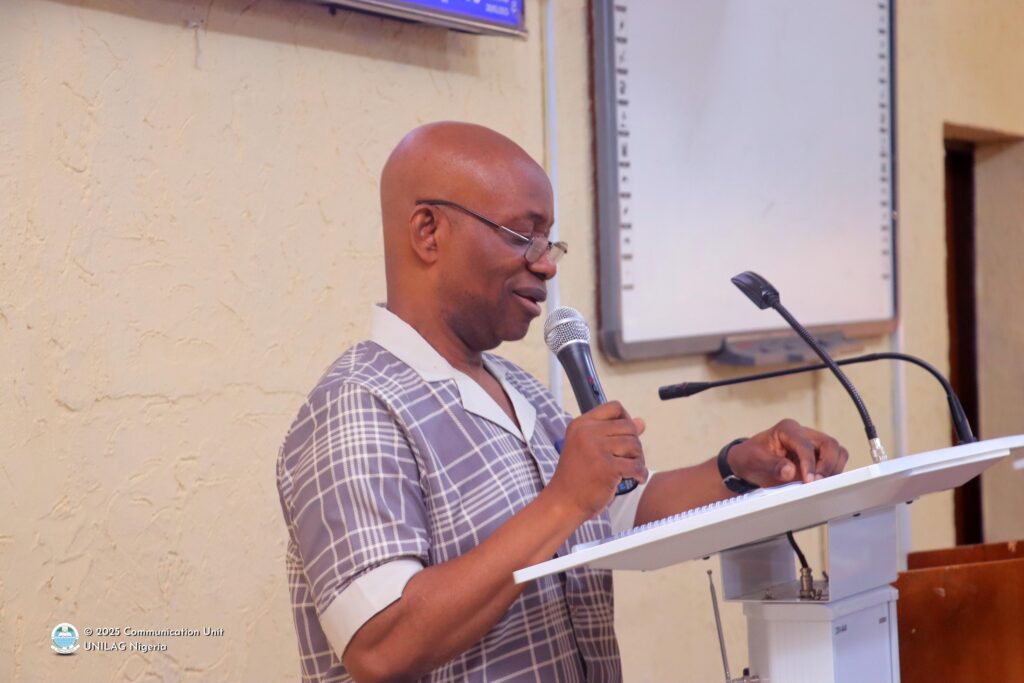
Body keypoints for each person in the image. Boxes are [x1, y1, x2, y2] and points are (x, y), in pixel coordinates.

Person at [276, 122, 850, 683]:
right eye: (521, 236)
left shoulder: (517, 387)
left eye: (549, 241)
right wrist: (563, 502)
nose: (546, 263)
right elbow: (380, 646)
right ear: (429, 232)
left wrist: (737, 467)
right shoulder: (357, 406)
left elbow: (611, 510)